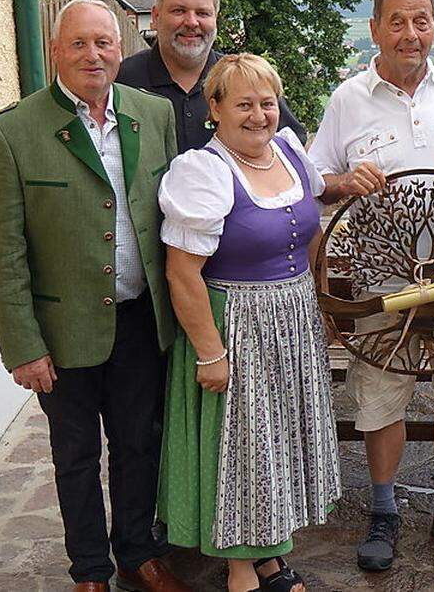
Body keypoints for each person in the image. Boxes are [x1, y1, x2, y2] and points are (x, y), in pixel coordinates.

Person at [0, 0, 190, 592]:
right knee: (74, 457)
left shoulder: (153, 115)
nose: (92, 54)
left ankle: (138, 554)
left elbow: (173, 218)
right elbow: (5, 254)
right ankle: (90, 572)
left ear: (120, 50)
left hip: (140, 319)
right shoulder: (12, 131)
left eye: (104, 43)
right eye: (79, 43)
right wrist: (23, 346)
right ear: (55, 51)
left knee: (138, 444)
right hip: (61, 331)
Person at [308, 0, 434, 571]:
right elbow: (313, 182)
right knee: (381, 394)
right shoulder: (347, 99)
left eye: (421, 21)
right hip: (380, 275)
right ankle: (385, 510)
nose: (410, 34)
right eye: (397, 21)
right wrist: (346, 181)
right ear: (375, 30)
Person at [157, 53, 341, 592]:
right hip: (237, 324)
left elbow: (310, 232)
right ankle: (242, 569)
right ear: (214, 109)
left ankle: (270, 554)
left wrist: (315, 299)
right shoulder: (203, 172)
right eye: (244, 104)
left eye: (267, 102)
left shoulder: (288, 150)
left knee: (279, 438)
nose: (260, 115)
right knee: (243, 448)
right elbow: (181, 274)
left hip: (293, 318)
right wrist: (211, 353)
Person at [117, 0, 306, 153]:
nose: (191, 22)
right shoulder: (122, 83)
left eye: (202, 13)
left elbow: (293, 148)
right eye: (179, 11)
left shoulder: (243, 79)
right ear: (155, 16)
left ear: (216, 18)